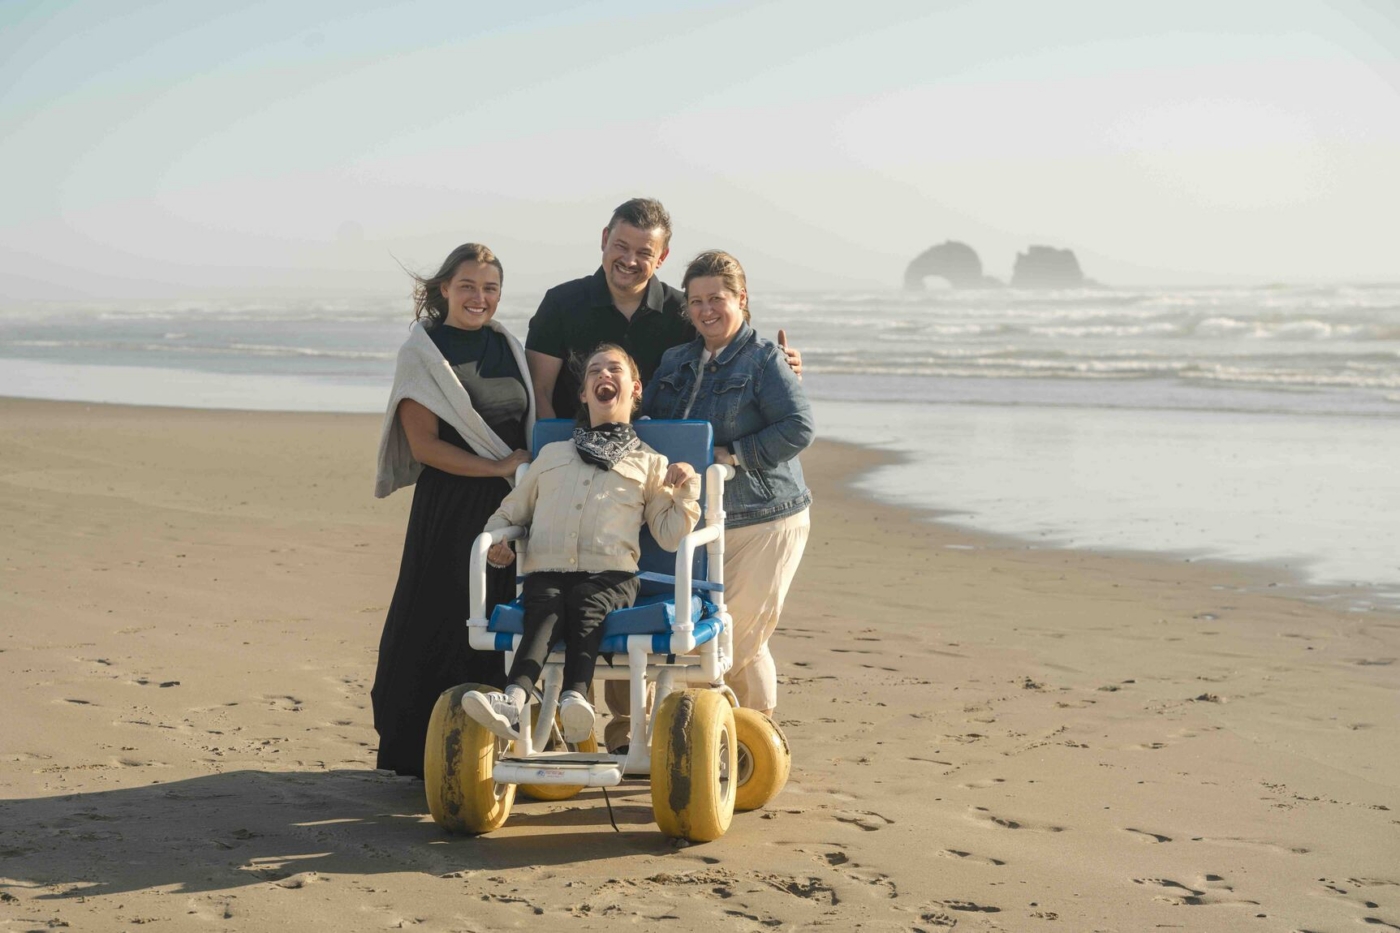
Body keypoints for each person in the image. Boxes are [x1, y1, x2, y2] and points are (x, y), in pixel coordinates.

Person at [524, 197, 800, 748]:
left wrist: (785, 367)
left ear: (662, 255)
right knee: (594, 598)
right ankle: (562, 724)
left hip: (663, 482)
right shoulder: (562, 303)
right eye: (620, 246)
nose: (629, 259)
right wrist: (564, 471)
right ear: (603, 239)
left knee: (692, 616)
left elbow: (730, 350)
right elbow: (545, 403)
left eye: (643, 252)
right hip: (581, 473)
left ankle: (734, 739)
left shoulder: (679, 309)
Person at [460, 345, 701, 742]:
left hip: (613, 576)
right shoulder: (553, 455)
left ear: (635, 388)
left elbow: (670, 535)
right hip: (548, 569)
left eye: (614, 369)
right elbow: (510, 512)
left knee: (586, 601)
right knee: (544, 608)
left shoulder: (651, 462)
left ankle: (575, 696)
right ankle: (513, 698)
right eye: (594, 371)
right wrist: (498, 541)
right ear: (584, 393)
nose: (603, 375)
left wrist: (687, 486)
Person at [370, 243, 534, 778]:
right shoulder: (424, 352)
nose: (479, 298)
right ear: (444, 289)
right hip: (451, 510)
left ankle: (493, 748)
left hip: (509, 507)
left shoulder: (509, 345)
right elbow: (425, 447)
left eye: (490, 289)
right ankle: (425, 753)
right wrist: (495, 468)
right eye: (467, 286)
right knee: (443, 621)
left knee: (502, 625)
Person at [643, 250, 814, 719]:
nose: (706, 310)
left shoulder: (764, 360)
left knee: (735, 639)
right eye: (696, 301)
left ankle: (750, 744)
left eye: (717, 298)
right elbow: (647, 422)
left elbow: (799, 427)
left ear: (742, 299)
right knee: (708, 634)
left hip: (766, 519)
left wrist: (733, 455)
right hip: (697, 522)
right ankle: (722, 742)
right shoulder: (675, 359)